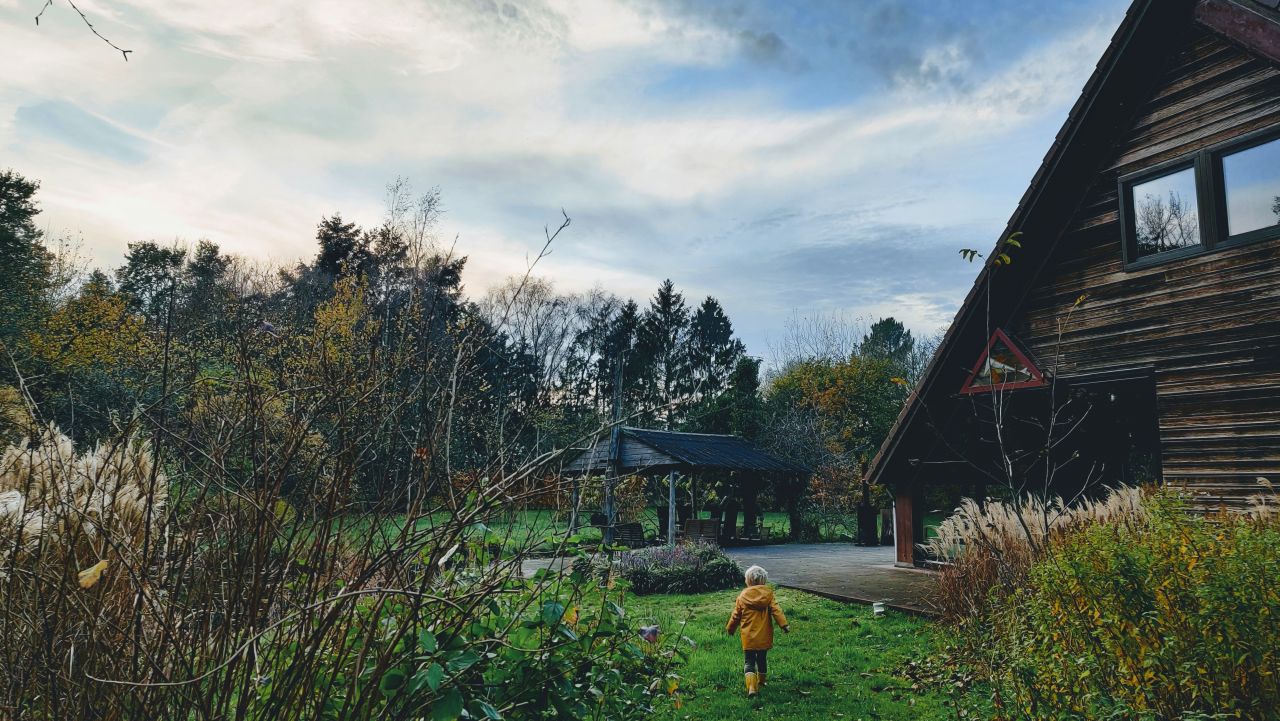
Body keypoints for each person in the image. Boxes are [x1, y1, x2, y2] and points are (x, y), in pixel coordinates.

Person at [725, 564, 789, 697]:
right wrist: (784, 625)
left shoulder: (742, 597)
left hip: (748, 636)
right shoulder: (768, 595)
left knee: (749, 661)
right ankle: (762, 681)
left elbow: (735, 615)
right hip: (764, 635)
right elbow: (776, 610)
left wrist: (730, 628)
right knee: (762, 659)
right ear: (763, 581)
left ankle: (752, 688)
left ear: (748, 581)